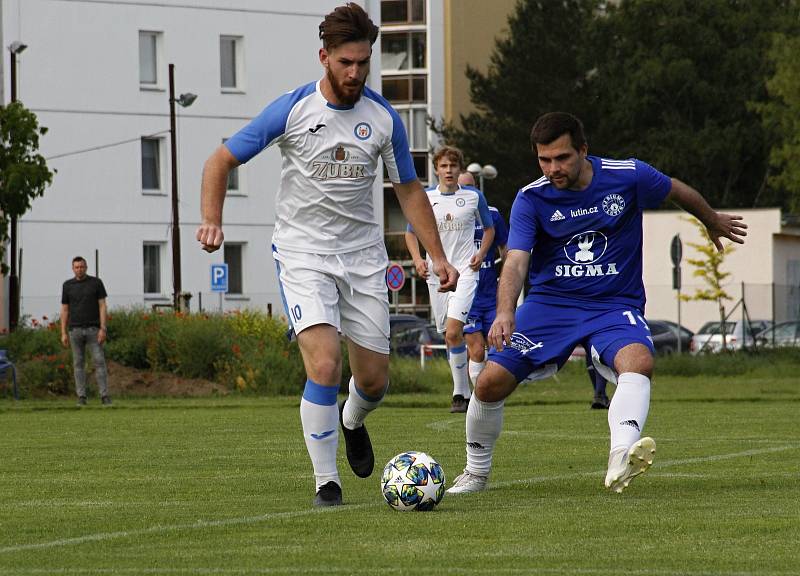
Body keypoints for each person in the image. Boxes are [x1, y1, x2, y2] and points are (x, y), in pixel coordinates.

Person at [196, 3, 458, 507]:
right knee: (324, 365)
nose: (356, 72)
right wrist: (213, 219)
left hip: (362, 259)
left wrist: (438, 255)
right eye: (346, 63)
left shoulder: (383, 118)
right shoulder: (293, 110)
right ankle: (326, 484)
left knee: (375, 382)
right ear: (324, 57)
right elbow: (220, 159)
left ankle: (352, 418)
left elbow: (408, 191)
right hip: (302, 255)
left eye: (363, 62)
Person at [447, 112, 747, 495]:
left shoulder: (627, 175)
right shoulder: (531, 198)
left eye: (562, 158)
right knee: (489, 384)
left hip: (612, 304)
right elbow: (517, 260)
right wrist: (506, 310)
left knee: (639, 361)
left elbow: (674, 189)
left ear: (583, 151)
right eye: (544, 159)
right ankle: (475, 473)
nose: (553, 168)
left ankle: (621, 456)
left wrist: (710, 219)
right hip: (551, 306)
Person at [405, 146, 494, 413]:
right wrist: (418, 260)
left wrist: (481, 253)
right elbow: (411, 233)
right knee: (448, 335)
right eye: (443, 166)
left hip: (466, 272)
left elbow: (489, 229)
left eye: (453, 166)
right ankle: (465, 392)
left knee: (455, 331)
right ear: (436, 169)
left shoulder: (473, 196)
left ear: (460, 169)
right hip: (436, 274)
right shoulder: (425, 198)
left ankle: (458, 394)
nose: (448, 171)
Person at [457, 171, 509, 391]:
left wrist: (506, 278)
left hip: (492, 296)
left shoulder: (492, 214)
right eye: (462, 187)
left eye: (470, 186)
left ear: (477, 187)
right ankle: (478, 396)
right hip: (468, 296)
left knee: (500, 349)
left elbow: (505, 248)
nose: (467, 191)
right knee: (477, 350)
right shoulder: (453, 216)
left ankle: (490, 393)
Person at [60, 256, 111, 406]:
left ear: (86, 267)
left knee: (99, 362)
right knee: (78, 364)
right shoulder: (67, 286)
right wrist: (63, 332)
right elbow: (64, 309)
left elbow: (102, 306)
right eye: (76, 267)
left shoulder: (96, 283)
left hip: (94, 330)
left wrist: (103, 328)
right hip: (74, 330)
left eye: (82, 267)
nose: (79, 269)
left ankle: (104, 396)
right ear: (72, 268)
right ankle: (81, 397)